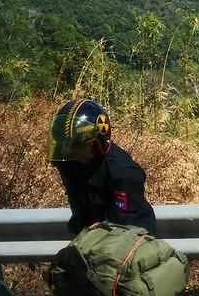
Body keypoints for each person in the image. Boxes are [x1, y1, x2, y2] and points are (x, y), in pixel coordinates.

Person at [45, 99, 157, 235]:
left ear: (98, 142)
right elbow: (80, 214)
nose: (74, 152)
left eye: (80, 146)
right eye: (68, 146)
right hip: (91, 238)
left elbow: (122, 232)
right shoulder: (70, 164)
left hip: (130, 243)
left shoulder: (124, 175)